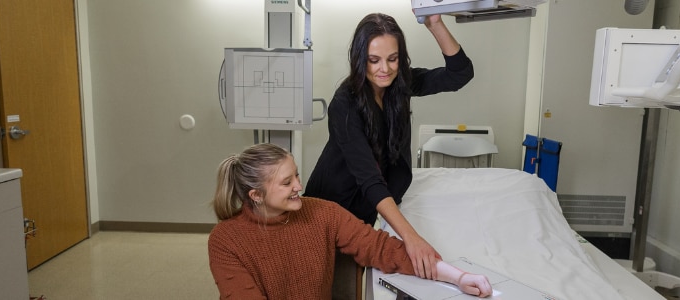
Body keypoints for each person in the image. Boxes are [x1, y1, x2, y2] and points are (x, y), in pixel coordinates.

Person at [305, 12, 474, 282]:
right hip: (334, 201)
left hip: (371, 200)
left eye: (392, 59)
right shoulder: (344, 104)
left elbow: (460, 74)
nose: (384, 69)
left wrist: (436, 25)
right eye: (374, 60)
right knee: (327, 279)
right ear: (360, 60)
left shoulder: (401, 84)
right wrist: (413, 239)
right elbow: (369, 179)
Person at [208, 143, 491, 299]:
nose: (299, 185)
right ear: (256, 195)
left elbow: (382, 249)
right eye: (286, 182)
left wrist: (459, 277)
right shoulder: (226, 240)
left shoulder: (323, 213)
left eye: (296, 174)